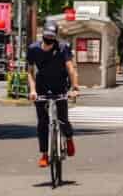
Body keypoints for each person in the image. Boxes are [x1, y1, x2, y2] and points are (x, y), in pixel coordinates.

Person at [27, 16, 78, 169]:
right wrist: (33, 90)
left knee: (63, 119)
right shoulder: (33, 49)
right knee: (42, 123)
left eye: (52, 36)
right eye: (47, 35)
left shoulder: (63, 48)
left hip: (60, 86)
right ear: (43, 34)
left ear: (56, 36)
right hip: (41, 87)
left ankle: (68, 138)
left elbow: (70, 69)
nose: (49, 38)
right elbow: (30, 71)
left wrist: (74, 88)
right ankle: (44, 153)